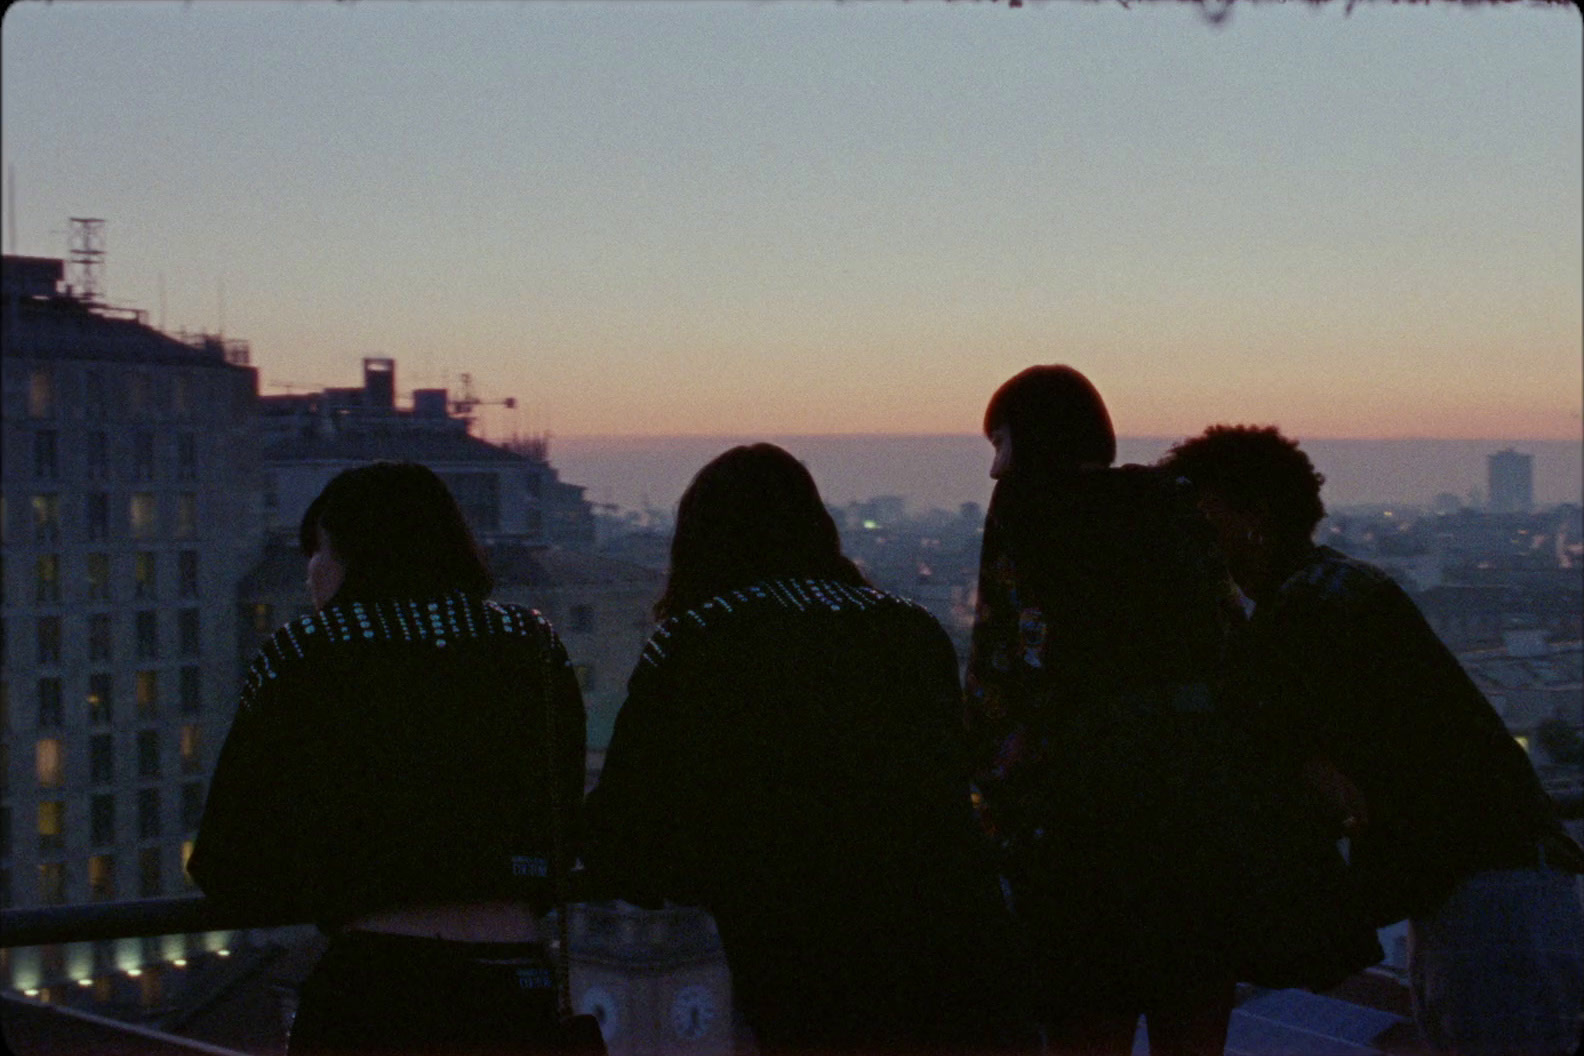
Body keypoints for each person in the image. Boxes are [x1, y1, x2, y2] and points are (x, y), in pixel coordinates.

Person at [582, 443, 1032, 1056]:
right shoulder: (909, 630)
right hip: (961, 949)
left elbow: (630, 828)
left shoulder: (697, 641)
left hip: (809, 966)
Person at [1161, 424, 1584, 1056]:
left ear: (1255, 518)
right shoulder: (1330, 590)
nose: (1188, 536)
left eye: (1201, 515)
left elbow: (1278, 757)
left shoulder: (1309, 610)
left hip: (1487, 902)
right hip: (1488, 891)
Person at [189, 461, 587, 1056]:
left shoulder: (308, 653)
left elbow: (228, 858)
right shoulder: (534, 644)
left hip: (380, 982)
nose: (309, 575)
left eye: (317, 552)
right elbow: (562, 815)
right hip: (516, 979)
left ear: (350, 554)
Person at [966, 365, 1254, 1056]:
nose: (995, 469)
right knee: (1192, 1017)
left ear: (1024, 440)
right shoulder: (1169, 499)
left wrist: (990, 789)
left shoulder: (1025, 510)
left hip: (1082, 825)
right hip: (1193, 817)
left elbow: (1007, 655)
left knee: (1088, 1022)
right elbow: (1230, 632)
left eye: (998, 443)